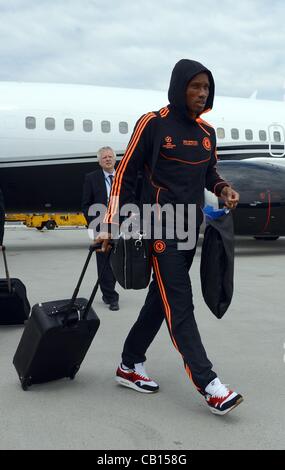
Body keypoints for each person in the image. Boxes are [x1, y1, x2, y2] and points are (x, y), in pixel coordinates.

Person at [99, 59, 243, 415]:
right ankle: (210, 385)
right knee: (180, 304)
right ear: (179, 87)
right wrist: (112, 223)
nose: (201, 93)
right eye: (195, 86)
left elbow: (209, 173)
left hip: (188, 231)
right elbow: (125, 174)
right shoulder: (153, 123)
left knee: (157, 303)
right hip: (157, 229)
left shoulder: (207, 133)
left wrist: (223, 188)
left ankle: (129, 364)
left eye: (206, 88)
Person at [82, 146, 119, 311]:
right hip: (101, 226)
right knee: (103, 261)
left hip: (121, 225)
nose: (108, 159)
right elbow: (86, 205)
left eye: (110, 156)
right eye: (104, 157)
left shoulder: (123, 177)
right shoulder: (91, 178)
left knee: (118, 261)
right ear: (99, 161)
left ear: (115, 159)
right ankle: (111, 297)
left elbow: (132, 200)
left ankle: (108, 291)